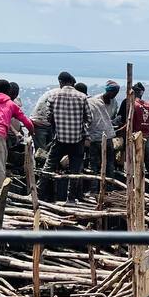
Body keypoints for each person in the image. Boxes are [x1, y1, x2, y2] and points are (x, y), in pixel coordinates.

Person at [43, 71, 89, 203]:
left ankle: (39, 194)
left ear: (60, 82)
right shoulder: (82, 97)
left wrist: (58, 126)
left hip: (59, 138)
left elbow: (48, 117)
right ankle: (71, 199)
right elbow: (89, 118)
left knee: (48, 166)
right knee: (75, 170)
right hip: (77, 140)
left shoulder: (53, 95)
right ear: (72, 82)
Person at [85, 81, 118, 176]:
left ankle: (109, 182)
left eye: (116, 92)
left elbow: (112, 116)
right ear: (108, 91)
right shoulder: (95, 101)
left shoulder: (114, 102)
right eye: (113, 92)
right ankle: (96, 183)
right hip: (96, 135)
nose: (115, 94)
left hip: (107, 134)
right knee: (95, 163)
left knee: (109, 162)